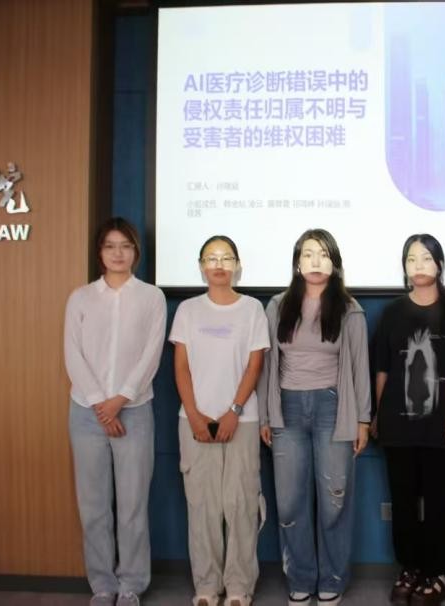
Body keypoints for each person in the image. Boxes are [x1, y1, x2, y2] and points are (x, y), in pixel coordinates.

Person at [258, 228, 371, 606]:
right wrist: (265, 416)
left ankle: (333, 578)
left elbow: (359, 367)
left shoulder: (350, 309)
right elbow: (267, 365)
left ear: (335, 263)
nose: (316, 261)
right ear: (297, 263)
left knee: (334, 500)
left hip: (333, 408)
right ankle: (301, 577)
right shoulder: (277, 306)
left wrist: (363, 420)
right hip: (287, 408)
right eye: (308, 254)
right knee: (290, 500)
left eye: (323, 254)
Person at [64, 217, 167, 606]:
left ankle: (131, 585)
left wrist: (120, 399)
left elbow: (151, 354)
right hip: (85, 413)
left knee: (132, 505)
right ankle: (103, 584)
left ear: (135, 252)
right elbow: (72, 353)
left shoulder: (151, 297)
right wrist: (99, 403)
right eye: (110, 246)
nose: (118, 253)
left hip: (134, 411)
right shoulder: (81, 298)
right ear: (100, 252)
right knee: (93, 506)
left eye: (125, 246)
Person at [372, 234, 445, 605]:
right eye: (411, 259)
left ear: (440, 265)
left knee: (438, 500)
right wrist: (378, 414)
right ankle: (410, 567)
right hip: (397, 424)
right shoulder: (392, 312)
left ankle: (438, 571)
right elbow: (383, 368)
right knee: (403, 500)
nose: (418, 265)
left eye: (426, 258)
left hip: (440, 423)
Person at [170, 235, 269, 606]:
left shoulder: (252, 309)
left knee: (240, 504)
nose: (219, 264)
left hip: (241, 421)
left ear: (237, 266)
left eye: (226, 258)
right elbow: (181, 367)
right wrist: (195, 415)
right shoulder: (188, 310)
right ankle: (207, 585)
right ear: (201, 266)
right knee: (203, 507)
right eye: (211, 258)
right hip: (194, 421)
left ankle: (240, 585)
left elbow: (254, 366)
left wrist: (234, 411)